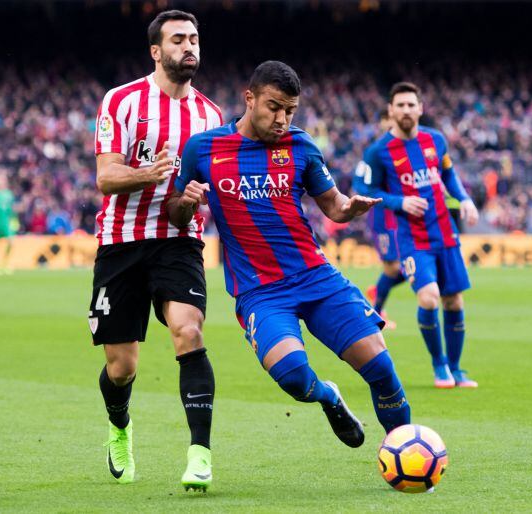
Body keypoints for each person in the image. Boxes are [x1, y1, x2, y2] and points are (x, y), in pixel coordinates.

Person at [169, 61, 411, 449]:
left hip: (316, 277)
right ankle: (329, 396)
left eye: (290, 110)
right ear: (250, 98)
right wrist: (187, 201)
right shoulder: (204, 148)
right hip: (260, 292)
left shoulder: (300, 145)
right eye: (274, 107)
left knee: (380, 366)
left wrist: (349, 210)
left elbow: (332, 205)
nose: (282, 118)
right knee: (295, 377)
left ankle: (404, 452)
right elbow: (174, 213)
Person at [90, 9, 222, 491]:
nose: (189, 47)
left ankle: (200, 455)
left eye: (194, 39)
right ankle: (119, 424)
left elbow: (180, 210)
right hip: (121, 242)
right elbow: (106, 177)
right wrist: (148, 173)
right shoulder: (122, 101)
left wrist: (187, 202)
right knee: (121, 368)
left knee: (189, 329)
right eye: (178, 40)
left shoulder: (210, 116)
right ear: (156, 51)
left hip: (177, 241)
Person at [362, 82, 479, 389]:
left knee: (454, 301)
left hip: (445, 232)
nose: (405, 110)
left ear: (420, 108)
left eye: (411, 104)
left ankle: (456, 369)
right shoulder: (379, 151)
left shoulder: (435, 140)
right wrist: (399, 202)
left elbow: (448, 173)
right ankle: (439, 365)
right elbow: (365, 190)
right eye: (399, 105)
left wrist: (464, 199)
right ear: (390, 110)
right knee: (430, 298)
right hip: (411, 238)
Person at [354, 108, 403, 328]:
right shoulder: (376, 151)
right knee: (392, 269)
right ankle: (377, 313)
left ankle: (380, 288)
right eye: (388, 119)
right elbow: (360, 183)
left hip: (402, 214)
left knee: (414, 266)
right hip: (383, 215)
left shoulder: (403, 148)